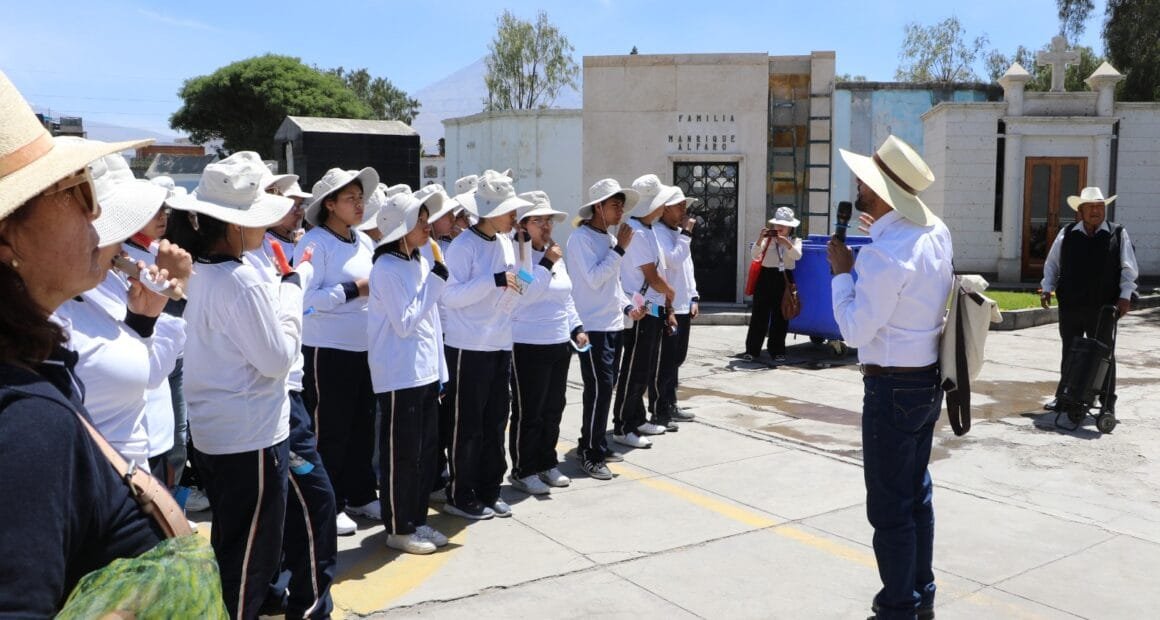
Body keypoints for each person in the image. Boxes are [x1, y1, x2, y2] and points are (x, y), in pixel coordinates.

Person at [0, 70, 164, 615]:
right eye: (77, 190)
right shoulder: (23, 419)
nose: (95, 211)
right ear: (8, 239)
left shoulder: (32, 368)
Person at [166, 151, 302, 620]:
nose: (267, 228)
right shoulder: (239, 279)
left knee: (232, 542)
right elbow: (277, 360)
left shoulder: (197, 269)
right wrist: (291, 293)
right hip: (251, 435)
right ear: (235, 225)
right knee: (250, 558)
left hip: (216, 430)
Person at [827, 135, 953, 620]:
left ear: (879, 192)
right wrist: (876, 237)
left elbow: (857, 329)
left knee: (889, 507)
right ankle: (920, 593)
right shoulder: (933, 231)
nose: (857, 185)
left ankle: (898, 606)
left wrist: (843, 273)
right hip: (925, 380)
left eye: (864, 180)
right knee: (916, 495)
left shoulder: (884, 255)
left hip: (891, 386)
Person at [250, 173, 338, 619]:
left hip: (287, 389)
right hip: (277, 393)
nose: (298, 209)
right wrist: (297, 278)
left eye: (300, 202)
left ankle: (273, 590)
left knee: (279, 506)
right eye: (288, 202)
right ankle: (308, 606)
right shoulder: (258, 256)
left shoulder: (274, 249)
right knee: (314, 499)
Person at [294, 166, 382, 536]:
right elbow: (302, 299)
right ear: (329, 205)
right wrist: (351, 290)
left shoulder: (364, 242)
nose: (359, 205)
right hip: (327, 350)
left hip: (364, 348)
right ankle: (329, 503)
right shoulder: (314, 244)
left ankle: (361, 493)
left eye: (361, 199)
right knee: (330, 430)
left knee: (362, 425)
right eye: (350, 199)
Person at [440, 170, 532, 520]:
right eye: (509, 210)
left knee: (496, 420)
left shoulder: (508, 242)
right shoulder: (464, 245)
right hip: (468, 347)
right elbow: (449, 296)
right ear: (490, 211)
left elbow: (516, 281)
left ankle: (490, 489)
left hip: (499, 342)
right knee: (467, 425)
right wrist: (492, 281)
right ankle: (460, 493)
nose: (514, 217)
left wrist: (520, 284)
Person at [368, 187, 452, 554]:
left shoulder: (418, 262)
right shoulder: (385, 268)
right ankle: (399, 526)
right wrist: (435, 282)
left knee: (424, 452)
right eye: (419, 221)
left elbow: (431, 322)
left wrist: (441, 370)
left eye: (425, 220)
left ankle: (418, 520)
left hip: (424, 374)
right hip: (398, 375)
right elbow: (404, 322)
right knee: (400, 455)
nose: (427, 227)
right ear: (400, 228)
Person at [508, 190, 585, 495]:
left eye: (549, 219)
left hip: (558, 341)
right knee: (530, 410)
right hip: (526, 342)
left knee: (554, 407)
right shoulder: (517, 254)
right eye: (538, 219)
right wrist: (547, 263)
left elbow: (565, 295)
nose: (546, 225)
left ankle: (546, 462)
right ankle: (523, 469)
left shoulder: (553, 251)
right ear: (523, 224)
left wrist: (576, 325)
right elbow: (524, 293)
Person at [565, 179, 642, 480]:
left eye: (621, 205)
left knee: (606, 388)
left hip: (611, 325)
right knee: (596, 389)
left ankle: (596, 441)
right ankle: (590, 452)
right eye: (614, 205)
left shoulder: (609, 240)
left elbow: (614, 286)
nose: (620, 210)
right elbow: (594, 278)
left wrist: (627, 308)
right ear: (598, 207)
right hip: (591, 328)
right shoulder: (580, 239)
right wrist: (621, 250)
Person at [1039, 186, 1138, 413]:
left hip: (1103, 306)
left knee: (1104, 354)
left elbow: (1128, 268)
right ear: (1080, 211)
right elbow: (1053, 264)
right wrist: (1047, 287)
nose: (1096, 211)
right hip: (1071, 305)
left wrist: (1125, 297)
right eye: (1091, 207)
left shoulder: (1117, 233)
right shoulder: (1067, 233)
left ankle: (1107, 403)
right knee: (1070, 351)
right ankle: (1065, 398)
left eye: (1100, 207)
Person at [612, 174, 679, 444]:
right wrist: (671, 293)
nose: (664, 207)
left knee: (647, 366)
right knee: (635, 368)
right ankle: (623, 425)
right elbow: (651, 276)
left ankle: (637, 419)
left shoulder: (647, 229)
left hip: (652, 307)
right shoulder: (636, 231)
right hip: (641, 309)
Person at [649, 186, 700, 425]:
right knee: (666, 360)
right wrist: (687, 233)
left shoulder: (679, 233)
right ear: (665, 208)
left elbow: (687, 268)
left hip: (683, 305)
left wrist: (694, 297)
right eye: (680, 205)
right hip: (668, 306)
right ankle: (660, 409)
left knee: (677, 358)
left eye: (685, 206)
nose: (684, 211)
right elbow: (673, 260)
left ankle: (671, 402)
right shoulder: (659, 232)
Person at [744, 207, 803, 364]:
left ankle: (777, 351)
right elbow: (754, 254)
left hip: (784, 279)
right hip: (765, 276)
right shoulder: (767, 239)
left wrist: (786, 243)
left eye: (784, 225)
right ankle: (752, 350)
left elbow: (797, 256)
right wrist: (760, 238)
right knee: (759, 315)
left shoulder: (796, 240)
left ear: (791, 226)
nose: (780, 228)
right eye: (778, 224)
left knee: (781, 316)